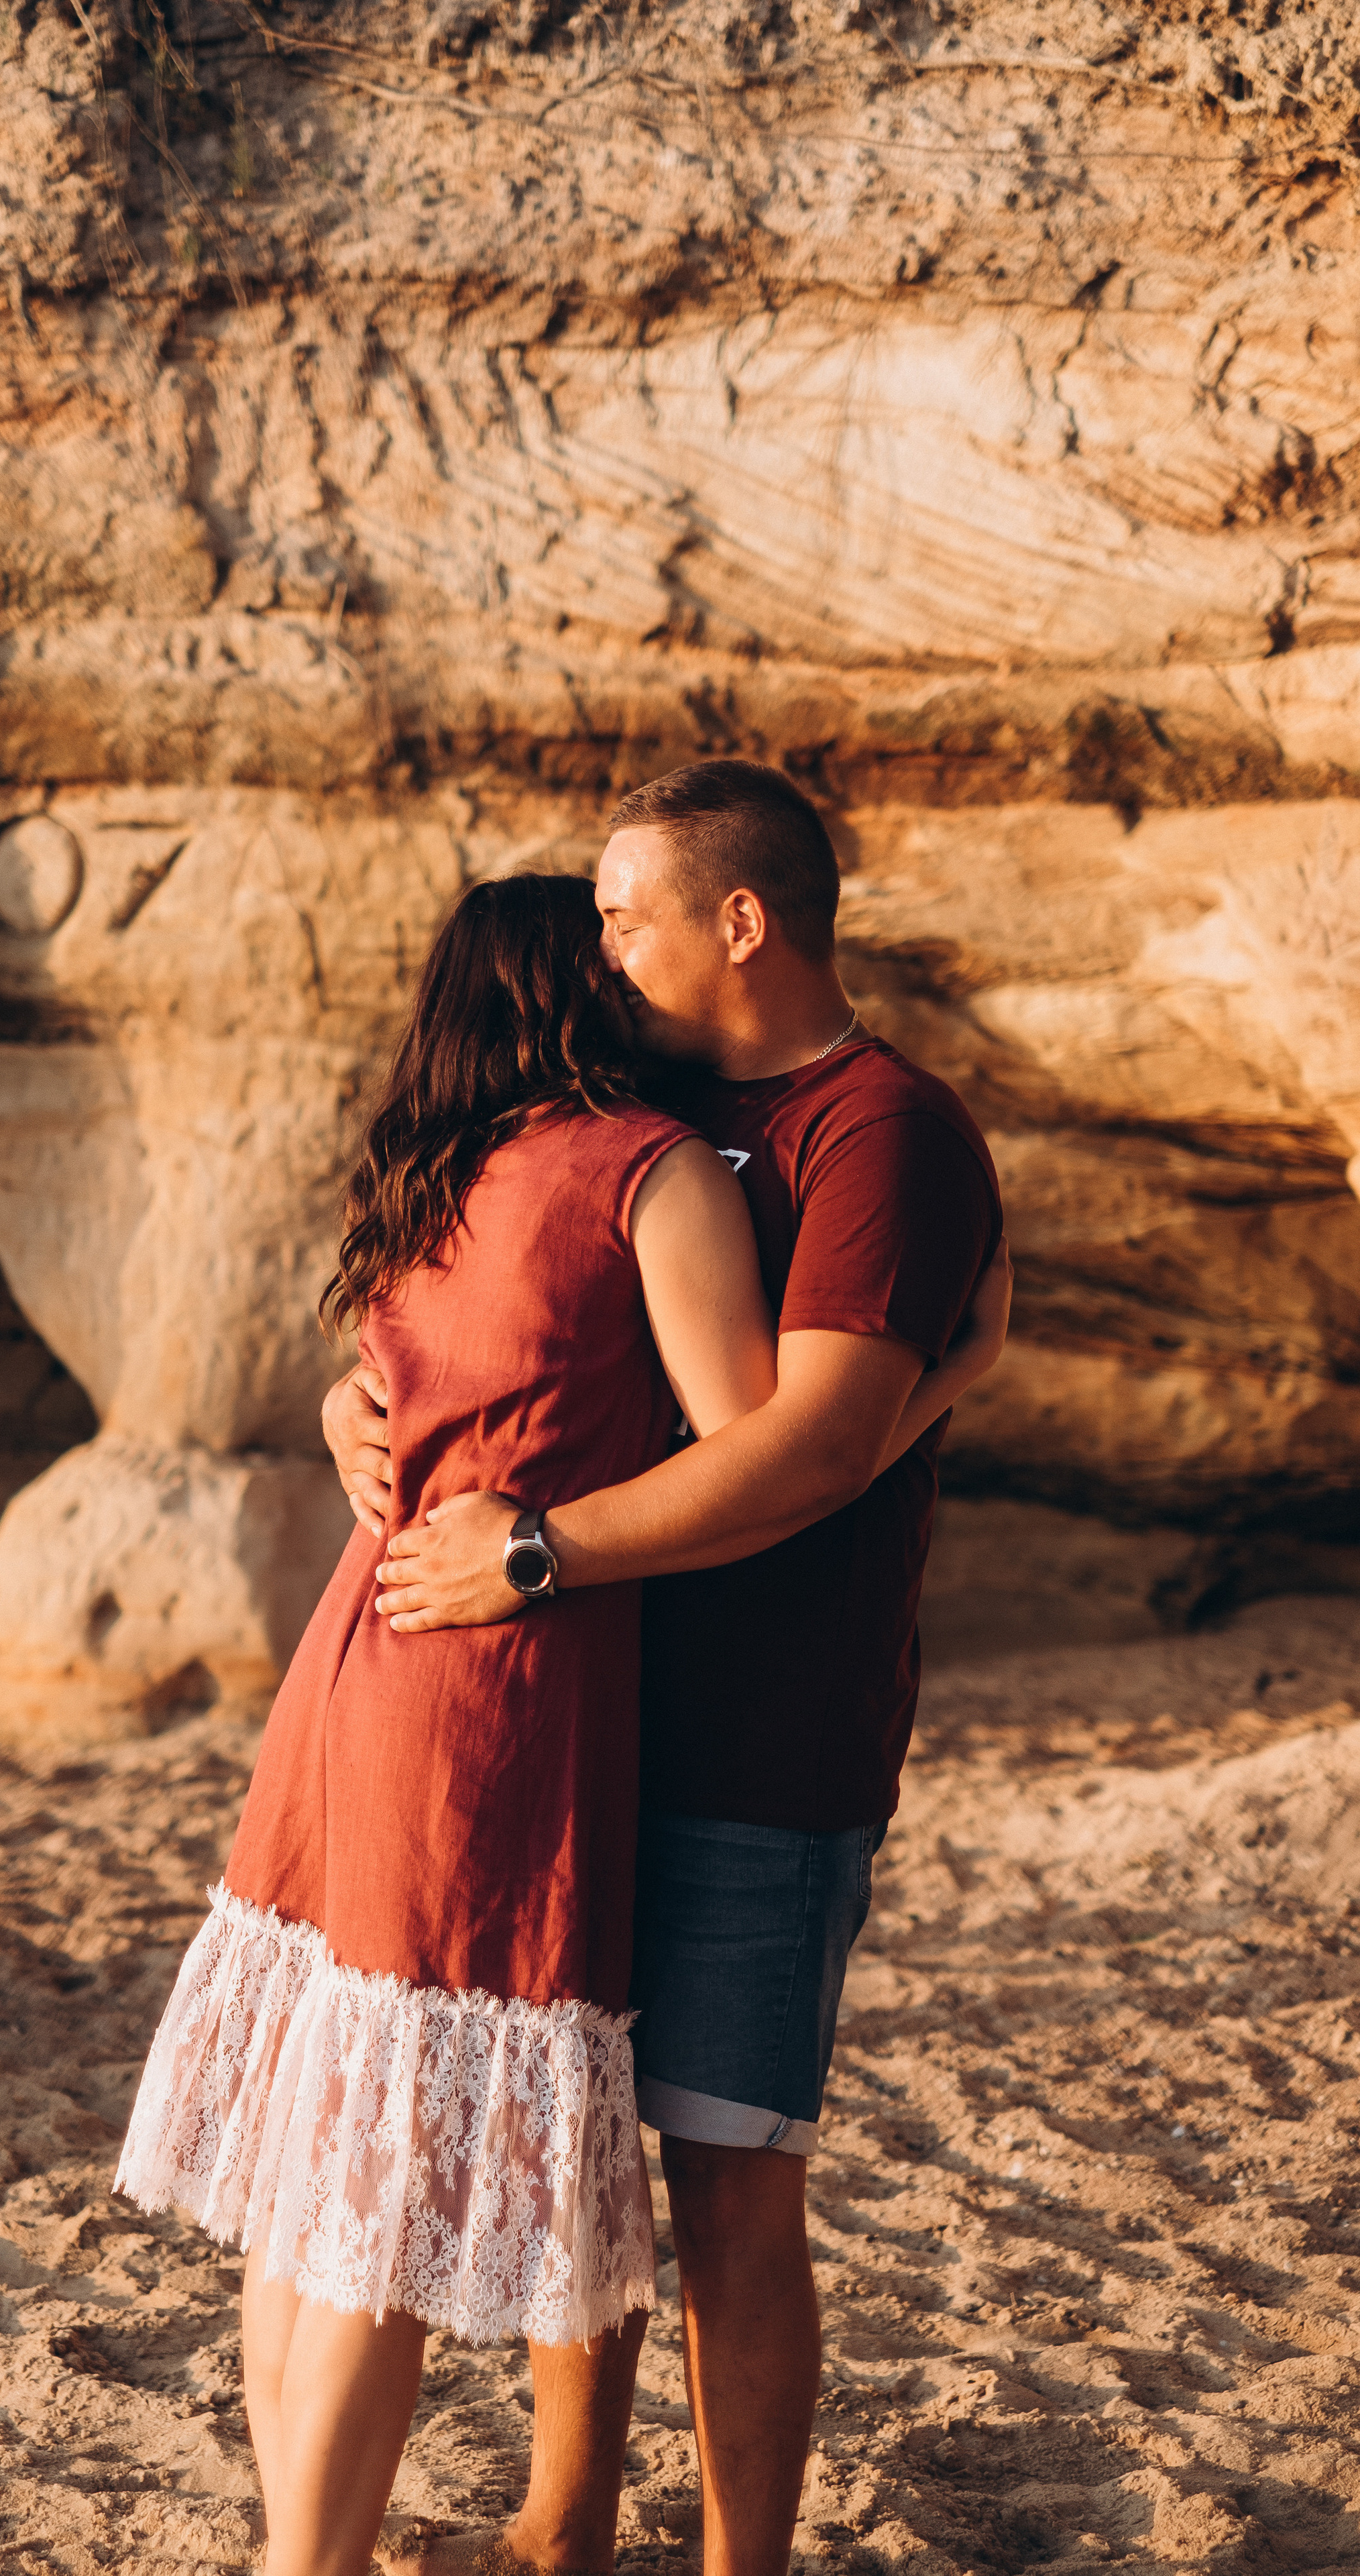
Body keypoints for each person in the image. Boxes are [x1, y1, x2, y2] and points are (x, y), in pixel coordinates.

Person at [323, 761, 1007, 2576]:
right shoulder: (626, 1106)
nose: (600, 944)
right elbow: (489, 1308)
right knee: (573, 2158)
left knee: (727, 2186)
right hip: (567, 1732)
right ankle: (564, 2528)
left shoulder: (883, 1136)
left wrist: (535, 1550)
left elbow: (804, 1447)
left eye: (627, 913)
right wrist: (361, 1404)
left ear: (742, 923)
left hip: (763, 1742)